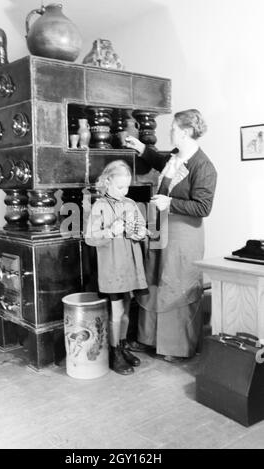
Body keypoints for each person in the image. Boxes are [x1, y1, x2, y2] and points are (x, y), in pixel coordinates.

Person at [124, 109, 217, 362]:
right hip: (162, 228)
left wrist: (170, 203)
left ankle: (175, 348)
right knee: (155, 279)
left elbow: (203, 208)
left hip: (184, 235)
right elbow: (159, 160)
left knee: (176, 283)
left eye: (174, 128)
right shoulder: (176, 156)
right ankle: (150, 340)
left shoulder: (204, 167)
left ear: (186, 132)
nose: (170, 131)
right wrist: (141, 147)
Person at [85, 160, 148, 375]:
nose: (124, 191)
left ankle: (122, 346)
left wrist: (137, 232)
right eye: (120, 187)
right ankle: (114, 353)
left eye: (127, 187)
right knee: (117, 312)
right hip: (113, 268)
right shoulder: (99, 205)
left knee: (127, 310)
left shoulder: (131, 203)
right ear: (107, 182)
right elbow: (90, 238)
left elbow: (143, 231)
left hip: (130, 268)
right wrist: (111, 231)